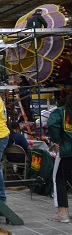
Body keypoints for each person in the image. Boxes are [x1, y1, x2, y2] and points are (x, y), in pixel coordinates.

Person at [47, 93, 72, 223]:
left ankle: (62, 213)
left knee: (60, 180)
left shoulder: (61, 112)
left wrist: (57, 141)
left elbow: (52, 124)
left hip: (66, 150)